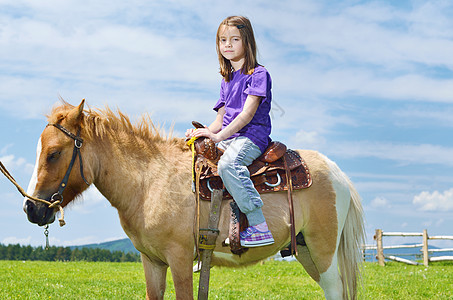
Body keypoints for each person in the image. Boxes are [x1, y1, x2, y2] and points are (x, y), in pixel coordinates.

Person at [186, 16, 274, 247]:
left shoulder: (258, 75)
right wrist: (203, 132)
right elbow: (220, 119)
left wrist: (218, 136)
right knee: (195, 161)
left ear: (247, 42)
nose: (228, 44)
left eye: (234, 39)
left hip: (252, 136)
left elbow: (246, 115)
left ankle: (258, 225)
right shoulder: (227, 80)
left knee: (228, 165)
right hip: (230, 136)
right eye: (222, 40)